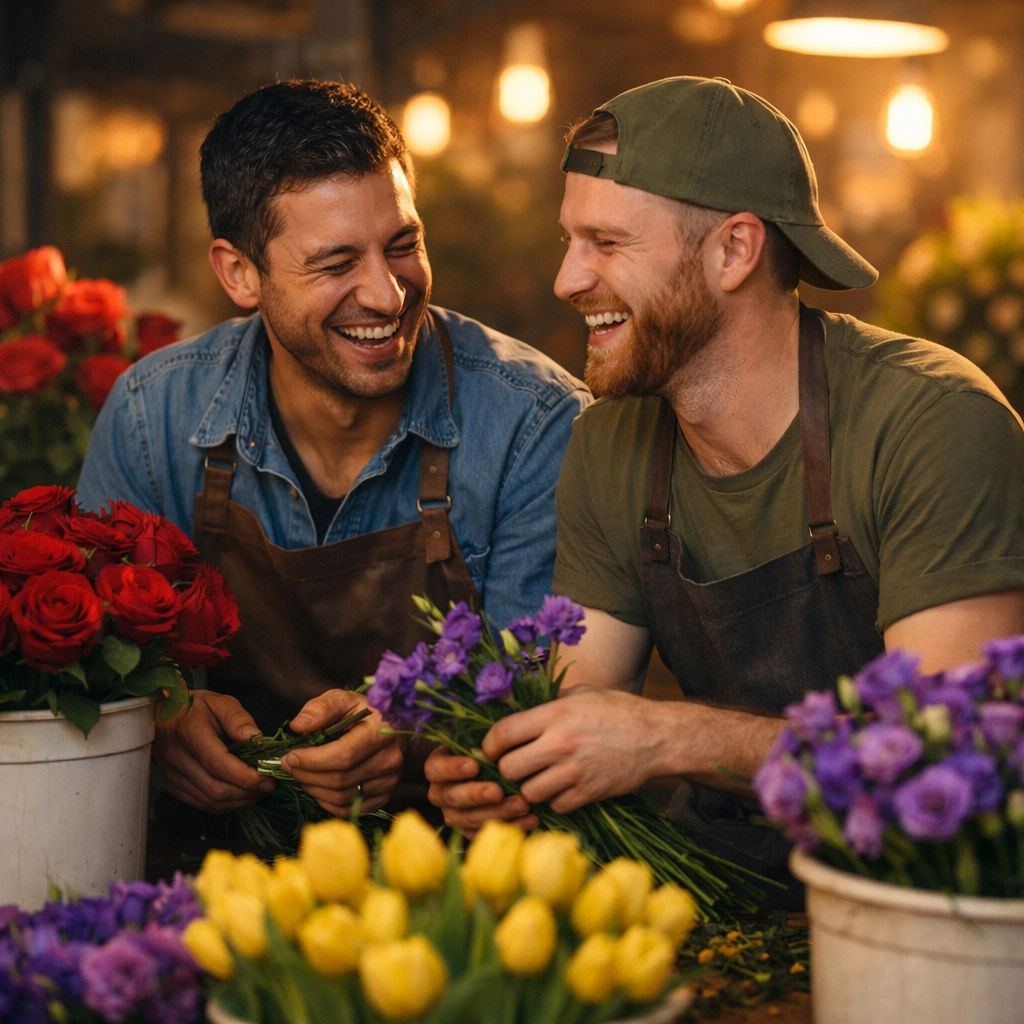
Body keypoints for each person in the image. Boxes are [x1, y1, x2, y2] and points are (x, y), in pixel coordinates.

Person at [425, 76, 1024, 901]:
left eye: (605, 242)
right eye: (570, 240)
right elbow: (583, 701)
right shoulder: (610, 438)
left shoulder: (931, 421)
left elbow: (940, 759)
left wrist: (671, 737)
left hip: (917, 905)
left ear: (735, 250)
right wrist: (513, 769)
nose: (567, 279)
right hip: (713, 890)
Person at [77, 80, 589, 826]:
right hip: (213, 862)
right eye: (335, 263)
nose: (385, 294)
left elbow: (541, 699)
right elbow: (93, 664)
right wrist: (159, 713)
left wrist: (418, 734)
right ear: (239, 274)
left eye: (403, 245)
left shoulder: (534, 425)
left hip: (462, 865)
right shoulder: (153, 417)